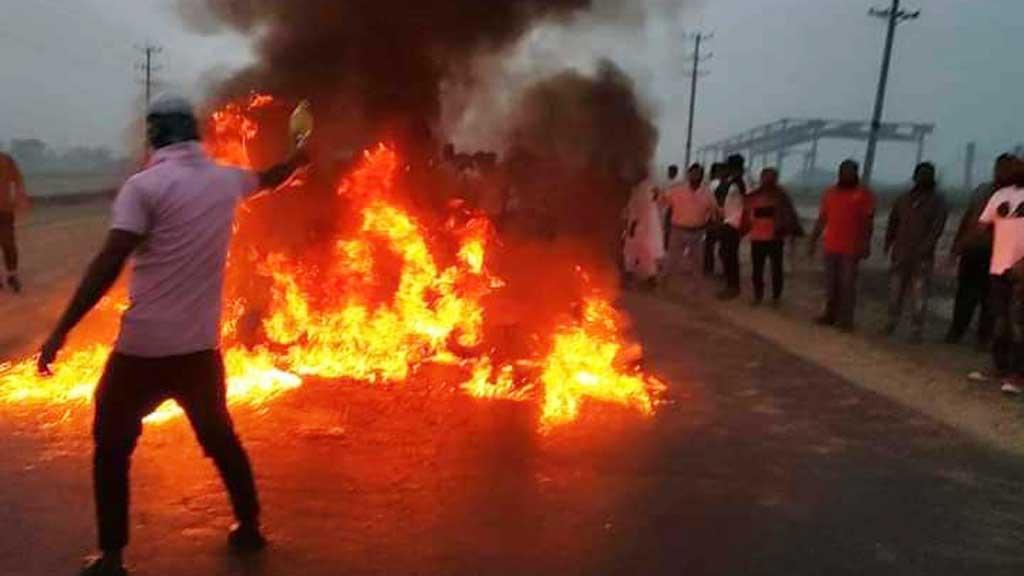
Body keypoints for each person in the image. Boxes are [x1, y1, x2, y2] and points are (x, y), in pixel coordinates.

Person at [36, 94, 310, 576]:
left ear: (155, 136)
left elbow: (109, 262)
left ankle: (113, 556)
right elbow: (269, 180)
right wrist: (296, 161)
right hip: (199, 352)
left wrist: (61, 330)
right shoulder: (225, 180)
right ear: (194, 134)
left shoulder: (144, 187)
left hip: (141, 351)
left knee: (112, 445)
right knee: (220, 439)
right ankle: (249, 528)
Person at [946, 154, 1016, 345]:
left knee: (990, 299)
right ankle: (956, 332)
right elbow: (967, 219)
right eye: (999, 168)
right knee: (965, 295)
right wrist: (957, 247)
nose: (1001, 172)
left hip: (998, 254)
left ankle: (983, 337)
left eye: (1006, 169)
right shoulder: (982, 191)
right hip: (973, 250)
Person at [883, 163, 948, 342]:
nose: (923, 178)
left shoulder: (938, 202)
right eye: (921, 175)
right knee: (895, 292)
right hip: (901, 253)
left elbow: (937, 229)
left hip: (922, 257)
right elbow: (893, 222)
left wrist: (925, 248)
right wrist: (888, 243)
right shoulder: (903, 199)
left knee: (919, 295)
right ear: (915, 177)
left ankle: (916, 330)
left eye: (926, 175)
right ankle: (891, 322)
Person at [809, 159, 876, 332]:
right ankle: (830, 315)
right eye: (843, 171)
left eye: (849, 171)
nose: (845, 175)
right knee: (830, 284)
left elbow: (868, 223)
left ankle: (846, 320)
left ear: (856, 173)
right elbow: (822, 218)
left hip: (851, 248)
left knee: (847, 285)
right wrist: (813, 239)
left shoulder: (864, 195)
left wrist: (866, 244)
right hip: (831, 246)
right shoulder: (829, 193)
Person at [977, 158, 1024, 395]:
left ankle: (1017, 374)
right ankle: (1000, 366)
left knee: (1018, 323)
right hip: (998, 267)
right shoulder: (999, 195)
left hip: (1021, 271)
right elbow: (983, 224)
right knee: (1000, 320)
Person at [743, 167, 803, 305]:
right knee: (757, 269)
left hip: (775, 238)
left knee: (776, 269)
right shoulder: (754, 196)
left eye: (772, 177)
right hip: (757, 238)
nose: (768, 180)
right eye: (766, 177)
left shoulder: (782, 196)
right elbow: (745, 216)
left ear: (776, 178)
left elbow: (791, 216)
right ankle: (758, 296)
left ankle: (776, 297)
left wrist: (792, 233)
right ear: (761, 178)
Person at [660, 163, 716, 290]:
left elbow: (714, 211)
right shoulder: (677, 190)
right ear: (688, 174)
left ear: (702, 176)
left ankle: (696, 288)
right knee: (672, 259)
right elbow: (663, 202)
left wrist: (709, 225)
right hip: (678, 229)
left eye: (698, 174)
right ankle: (664, 281)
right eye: (693, 173)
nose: (695, 176)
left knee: (696, 262)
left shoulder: (707, 193)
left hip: (697, 232)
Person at [622, 172, 665, 287]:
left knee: (632, 251)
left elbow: (638, 209)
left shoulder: (641, 189)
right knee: (646, 253)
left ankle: (633, 277)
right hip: (648, 227)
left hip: (640, 227)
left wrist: (632, 226)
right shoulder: (650, 187)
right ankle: (650, 278)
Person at [716, 154, 747, 300]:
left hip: (734, 224)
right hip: (729, 222)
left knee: (729, 255)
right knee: (725, 253)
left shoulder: (740, 183)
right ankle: (731, 284)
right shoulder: (734, 182)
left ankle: (733, 286)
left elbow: (745, 205)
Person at [0, 151, 30, 292]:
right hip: (6, 208)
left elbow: (18, 179)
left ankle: (12, 275)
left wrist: (20, 197)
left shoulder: (6, 160)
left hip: (5, 209)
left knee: (8, 243)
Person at [704, 162, 727, 276]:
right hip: (720, 219)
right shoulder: (722, 184)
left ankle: (709, 269)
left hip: (717, 219)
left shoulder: (714, 184)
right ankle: (721, 270)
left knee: (711, 245)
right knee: (719, 246)